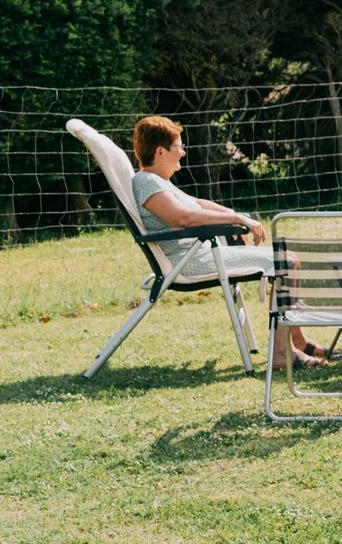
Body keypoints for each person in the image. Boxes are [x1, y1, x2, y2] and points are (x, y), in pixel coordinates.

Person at [130, 114, 328, 371]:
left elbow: (199, 204)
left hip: (203, 253)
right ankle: (282, 353)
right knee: (287, 262)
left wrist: (239, 218)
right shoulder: (145, 182)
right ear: (160, 152)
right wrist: (235, 219)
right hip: (191, 262)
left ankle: (296, 341)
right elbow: (184, 217)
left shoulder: (159, 182)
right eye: (178, 147)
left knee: (289, 260)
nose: (183, 152)